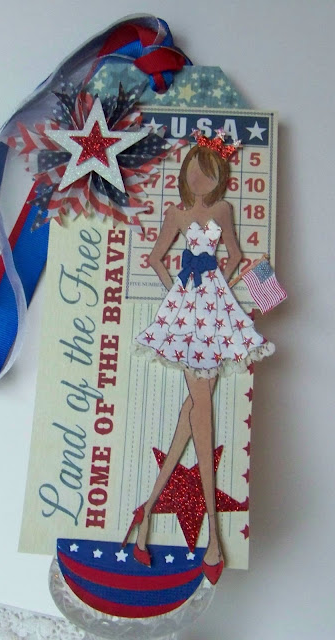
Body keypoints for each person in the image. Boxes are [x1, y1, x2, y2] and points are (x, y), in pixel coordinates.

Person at [123, 130, 274, 584]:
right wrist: (177, 293)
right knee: (201, 409)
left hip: (214, 305)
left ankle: (147, 512)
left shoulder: (223, 210)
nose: (199, 179)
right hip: (187, 310)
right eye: (193, 170)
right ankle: (212, 533)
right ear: (185, 173)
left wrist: (225, 286)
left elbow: (235, 253)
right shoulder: (177, 214)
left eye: (207, 173)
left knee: (193, 412)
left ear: (219, 177)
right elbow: (156, 258)